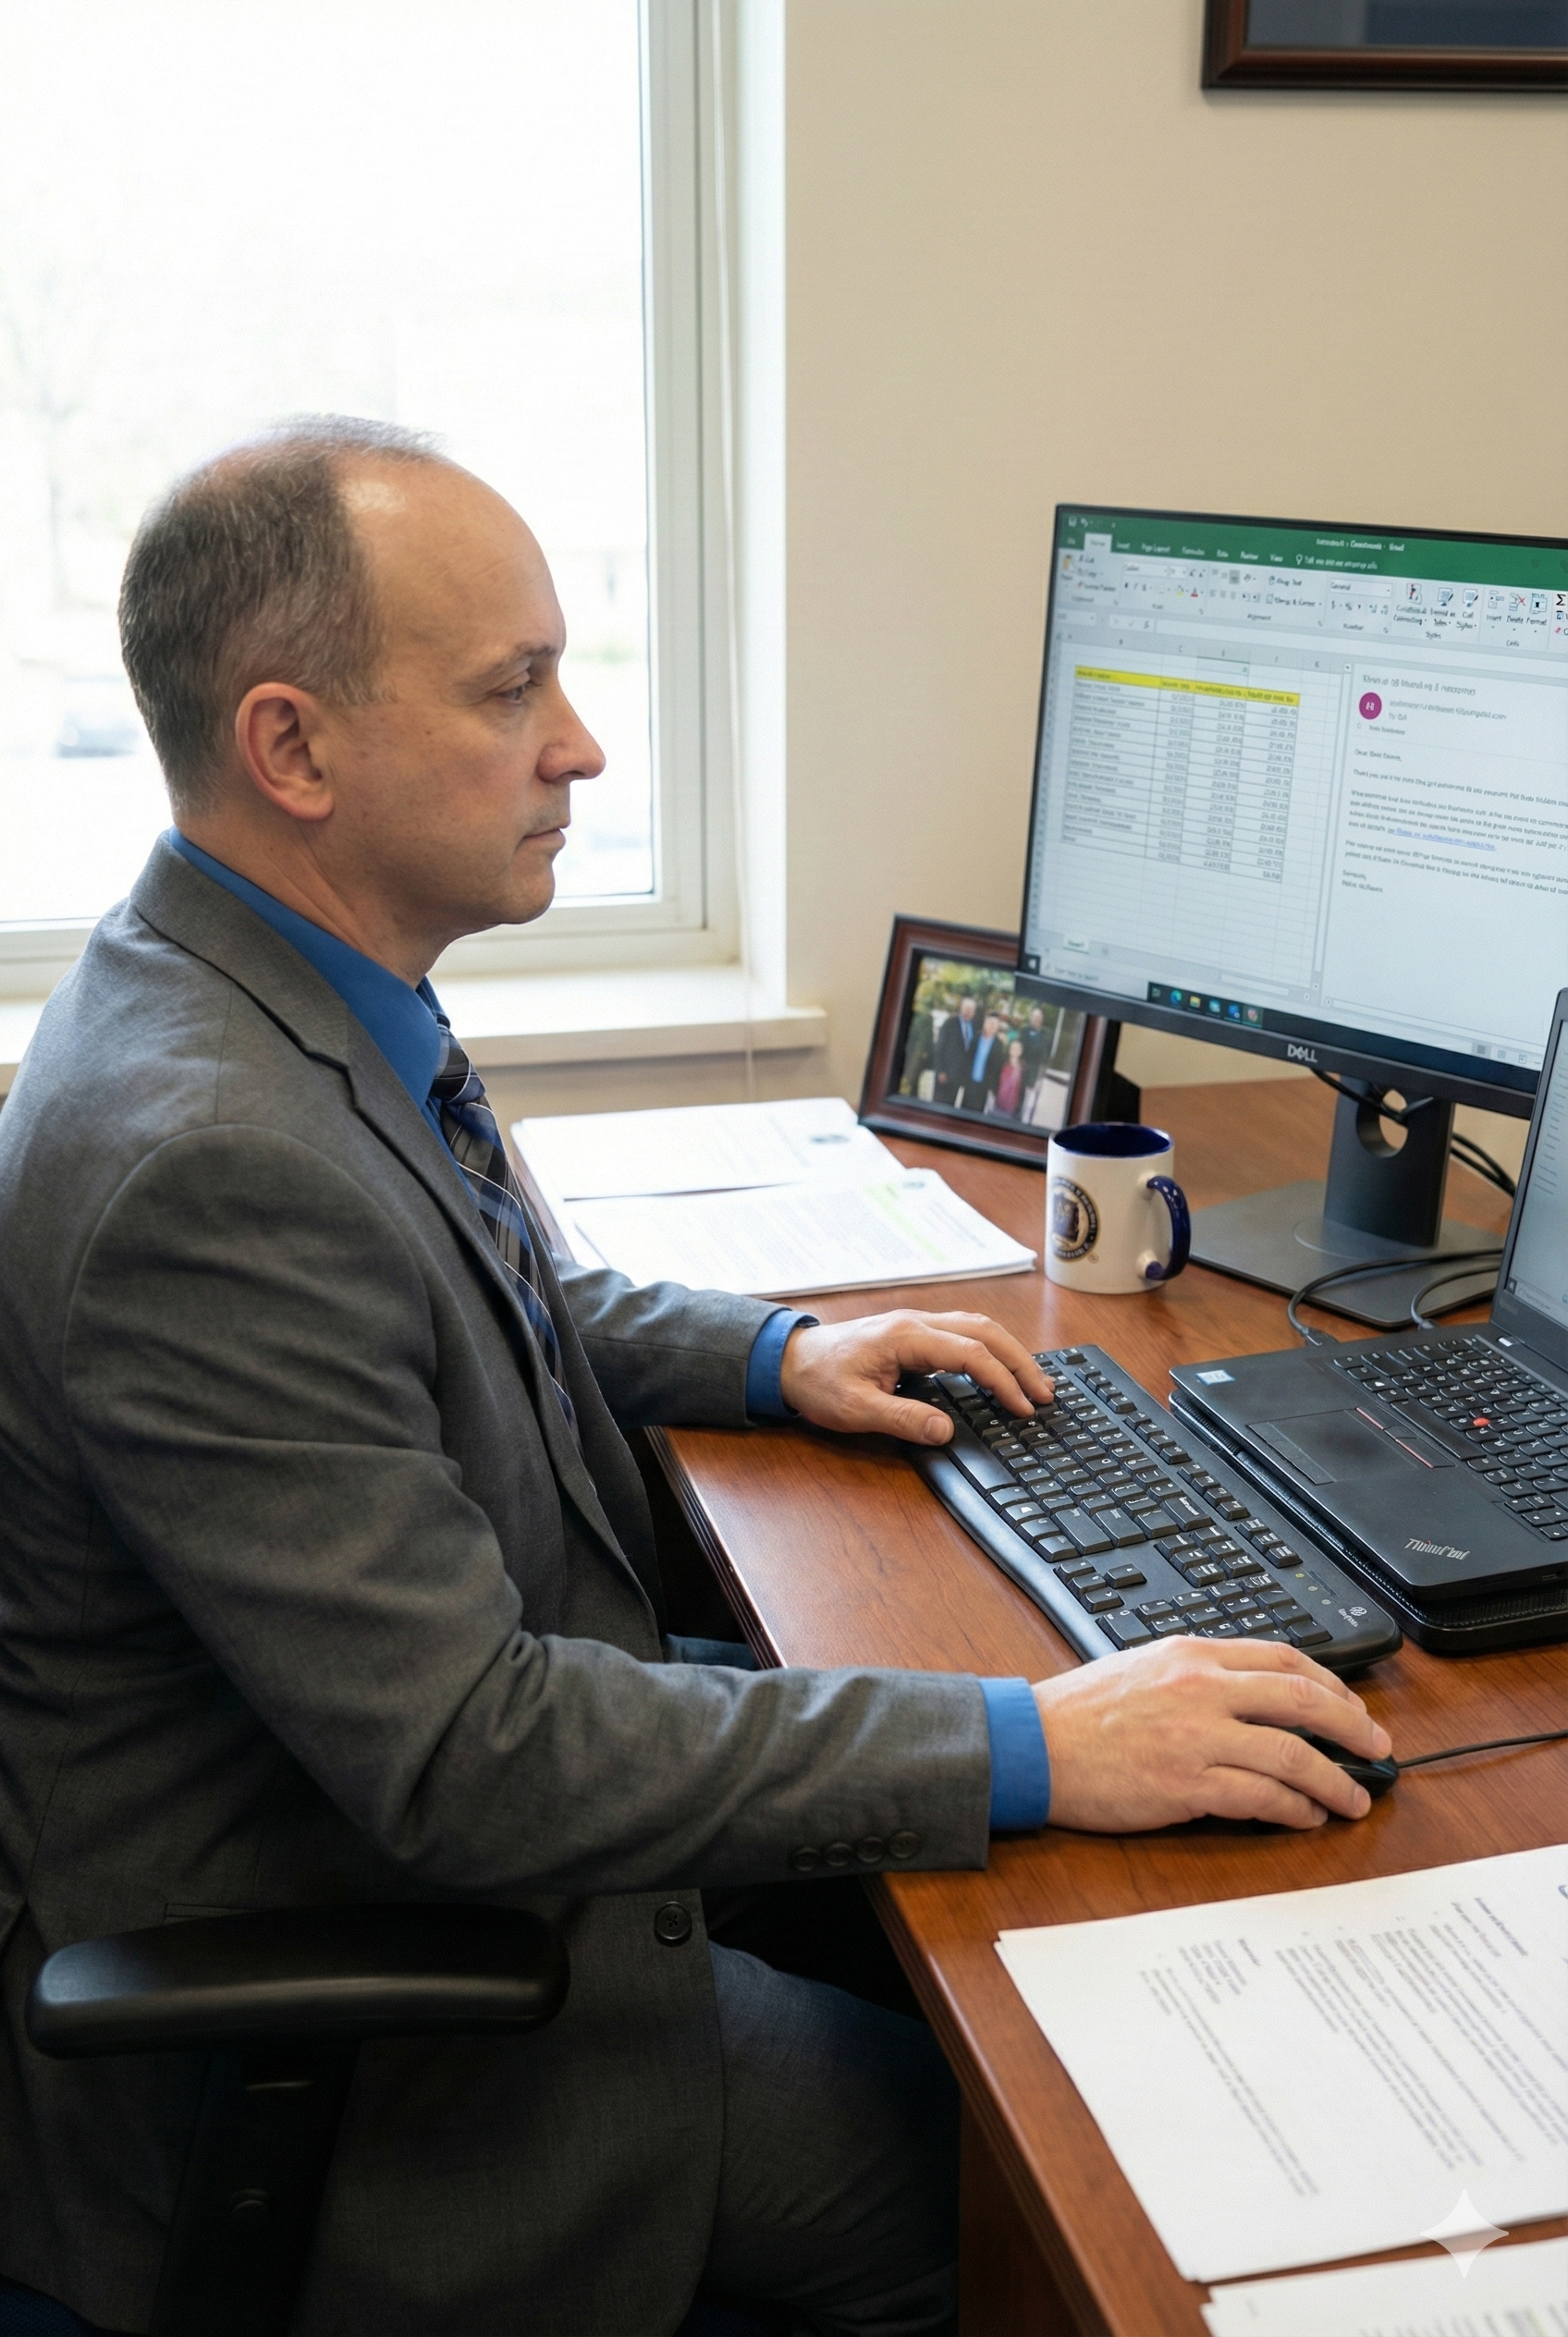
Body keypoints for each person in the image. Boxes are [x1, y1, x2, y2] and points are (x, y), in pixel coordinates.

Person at [0, 420, 1391, 2337]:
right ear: (292, 749)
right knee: (1041, 2190)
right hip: (389, 2025)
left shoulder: (256, 989)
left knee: (1048, 1933)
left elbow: (449, 1284)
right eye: (512, 689)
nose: (579, 745)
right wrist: (1037, 1740)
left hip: (419, 1836)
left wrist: (772, 1351)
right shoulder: (206, 1162)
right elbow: (474, 1758)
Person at [931, 991, 977, 1103]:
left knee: (950, 1106)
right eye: (967, 1008)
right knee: (939, 1106)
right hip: (945, 1075)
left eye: (971, 1010)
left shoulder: (974, 1027)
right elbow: (939, 1048)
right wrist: (940, 1071)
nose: (969, 1012)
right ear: (961, 1008)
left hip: (958, 1077)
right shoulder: (950, 1023)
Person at [957, 1009, 1005, 1113]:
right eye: (990, 1023)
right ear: (985, 1023)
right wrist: (963, 1079)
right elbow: (967, 1059)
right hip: (970, 1083)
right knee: (963, 1112)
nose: (992, 1026)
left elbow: (997, 1069)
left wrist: (992, 1088)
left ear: (997, 1027)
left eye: (995, 1024)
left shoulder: (999, 1045)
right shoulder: (976, 1038)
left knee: (977, 1114)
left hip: (983, 1087)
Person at [993, 1035, 1026, 1119]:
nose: (1015, 1050)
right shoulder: (1002, 1064)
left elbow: (1022, 1091)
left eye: (1017, 1048)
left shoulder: (1024, 1069)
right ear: (1009, 1049)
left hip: (1011, 1110)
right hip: (997, 1106)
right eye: (1013, 1048)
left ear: (1021, 1051)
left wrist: (1019, 1108)